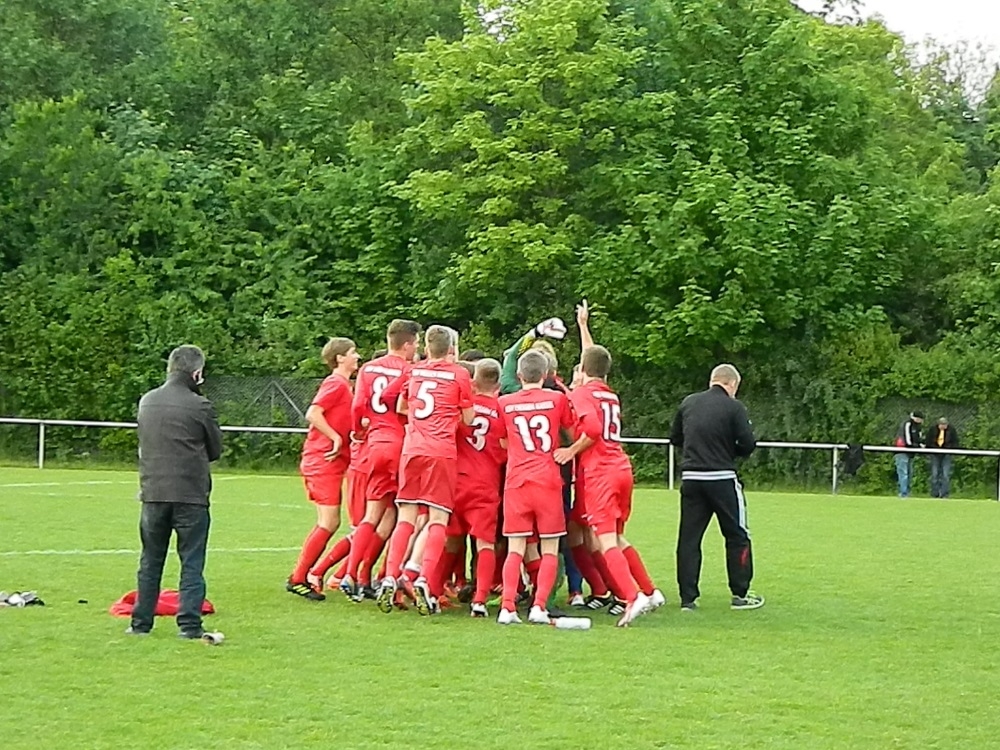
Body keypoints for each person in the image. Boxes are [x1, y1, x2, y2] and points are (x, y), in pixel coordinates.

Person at [556, 344, 661, 624]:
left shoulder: (582, 393)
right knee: (616, 537)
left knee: (604, 540)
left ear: (583, 368)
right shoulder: (609, 394)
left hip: (600, 471)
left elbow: (592, 429)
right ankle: (650, 591)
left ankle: (632, 596)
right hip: (621, 467)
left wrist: (571, 451)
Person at [375, 325, 474, 615]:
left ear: (427, 347)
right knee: (438, 519)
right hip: (441, 451)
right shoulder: (459, 374)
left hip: (412, 448)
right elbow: (469, 418)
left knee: (406, 515)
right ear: (451, 348)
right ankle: (423, 579)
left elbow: (402, 406)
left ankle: (390, 575)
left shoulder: (414, 370)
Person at [130, 345, 223, 642]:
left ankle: (140, 623)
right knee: (191, 561)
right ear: (196, 373)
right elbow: (215, 449)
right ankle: (189, 625)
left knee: (150, 559)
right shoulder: (200, 406)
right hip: (190, 495)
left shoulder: (147, 401)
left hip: (153, 492)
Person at [496, 350, 579, 625]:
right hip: (547, 480)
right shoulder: (556, 399)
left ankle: (507, 607)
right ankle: (539, 606)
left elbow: (503, 441)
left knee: (515, 547)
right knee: (550, 548)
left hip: (517, 481)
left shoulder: (504, 402)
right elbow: (572, 432)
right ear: (546, 375)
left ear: (519, 375)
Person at [670, 364, 762, 611]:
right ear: (732, 384)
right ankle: (740, 594)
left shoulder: (688, 403)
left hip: (691, 478)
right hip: (722, 478)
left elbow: (675, 438)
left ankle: (688, 599)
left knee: (689, 539)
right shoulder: (734, 407)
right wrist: (728, 451)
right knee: (737, 535)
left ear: (712, 380)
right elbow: (748, 443)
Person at [340, 320, 422, 598]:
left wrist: (358, 432)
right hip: (400, 445)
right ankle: (386, 577)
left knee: (374, 514)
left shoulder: (368, 368)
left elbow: (357, 406)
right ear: (407, 344)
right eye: (416, 343)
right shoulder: (409, 370)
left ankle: (353, 574)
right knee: (404, 516)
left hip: (374, 444)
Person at [286, 338, 359, 600]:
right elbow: (313, 413)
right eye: (353, 352)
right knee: (329, 522)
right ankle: (298, 577)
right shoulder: (335, 383)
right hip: (322, 459)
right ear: (339, 358)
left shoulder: (346, 386)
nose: (357, 356)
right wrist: (335, 437)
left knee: (332, 522)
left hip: (334, 461)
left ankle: (305, 575)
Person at [448, 358, 506, 617]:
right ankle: (480, 600)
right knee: (485, 543)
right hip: (485, 483)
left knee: (450, 539)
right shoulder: (502, 409)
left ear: (473, 382)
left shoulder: (463, 408)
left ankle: (434, 590)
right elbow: (505, 449)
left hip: (457, 479)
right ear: (498, 384)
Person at [926, 417, 959, 498]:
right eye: (941, 424)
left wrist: (949, 449)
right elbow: (928, 441)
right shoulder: (933, 430)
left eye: (945, 425)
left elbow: (955, 442)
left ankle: (944, 494)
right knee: (935, 474)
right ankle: (935, 494)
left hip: (946, 454)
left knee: (945, 474)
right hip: (935, 454)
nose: (943, 426)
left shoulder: (951, 430)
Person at [894, 411, 925, 498]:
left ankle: (907, 492)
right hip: (902, 450)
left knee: (909, 473)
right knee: (903, 473)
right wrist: (918, 446)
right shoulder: (908, 424)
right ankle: (903, 493)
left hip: (911, 452)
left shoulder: (918, 427)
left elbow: (918, 439)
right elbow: (908, 441)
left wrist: (920, 445)